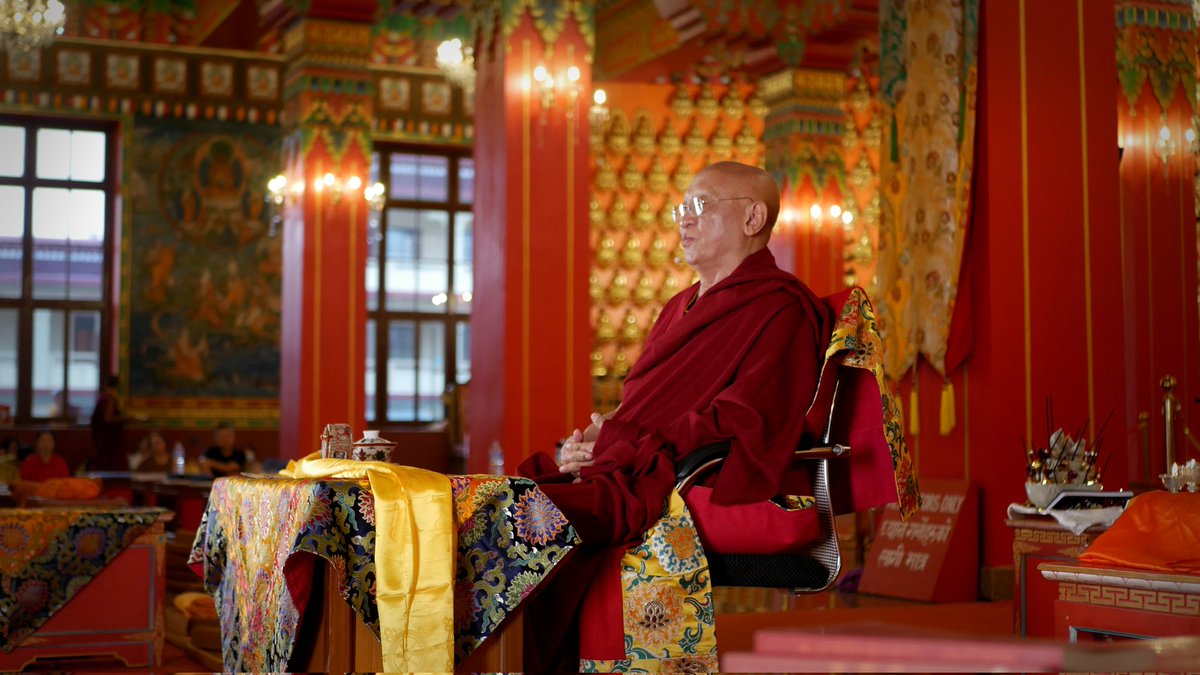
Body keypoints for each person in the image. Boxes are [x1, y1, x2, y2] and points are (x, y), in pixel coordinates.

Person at [517, 161, 832, 668]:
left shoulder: (780, 309)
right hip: (630, 467)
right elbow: (642, 406)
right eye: (681, 208)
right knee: (508, 499)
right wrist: (593, 443)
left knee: (517, 522)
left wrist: (619, 444)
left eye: (700, 206)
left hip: (678, 477)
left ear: (753, 218)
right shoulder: (677, 306)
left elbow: (745, 420)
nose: (683, 219)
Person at [90, 374, 142, 470]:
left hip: (101, 439)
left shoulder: (102, 398)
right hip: (109, 440)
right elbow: (108, 419)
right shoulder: (110, 399)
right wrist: (128, 418)